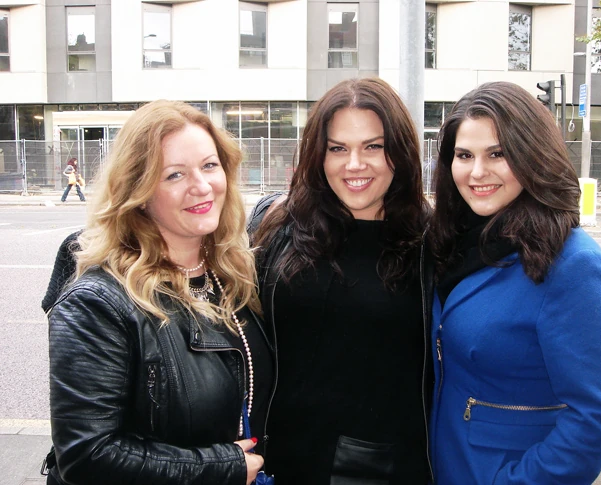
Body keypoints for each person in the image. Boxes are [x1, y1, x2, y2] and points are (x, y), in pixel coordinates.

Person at [46, 100, 272, 485]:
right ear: (139, 191)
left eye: (209, 165)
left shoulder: (236, 274)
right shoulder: (99, 302)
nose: (201, 186)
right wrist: (222, 468)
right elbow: (86, 455)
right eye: (174, 175)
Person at [429, 81, 601, 484]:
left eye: (498, 154)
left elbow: (598, 417)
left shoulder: (575, 265)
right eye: (464, 155)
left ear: (531, 155)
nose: (477, 171)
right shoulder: (454, 242)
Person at [249, 77, 433, 484]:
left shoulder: (430, 242)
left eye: (373, 146)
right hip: (275, 461)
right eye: (337, 148)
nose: (354, 164)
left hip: (381, 468)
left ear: (400, 152)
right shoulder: (280, 224)